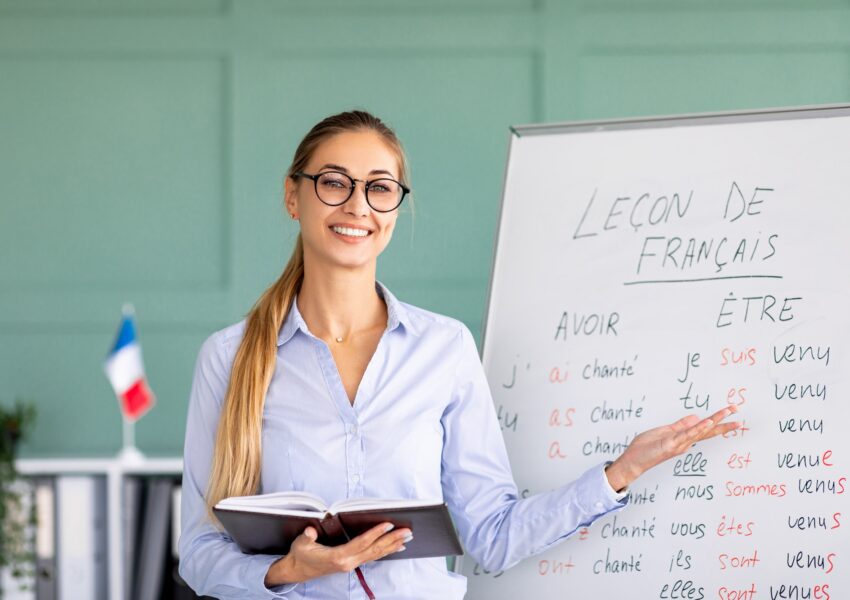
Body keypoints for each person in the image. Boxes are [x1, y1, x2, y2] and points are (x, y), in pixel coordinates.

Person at [177, 110, 740, 599]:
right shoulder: (229, 358)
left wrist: (620, 472)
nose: (357, 205)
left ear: (395, 207)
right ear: (292, 196)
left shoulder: (443, 349)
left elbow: (491, 537)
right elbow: (200, 553)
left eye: (379, 187)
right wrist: (286, 570)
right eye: (333, 182)